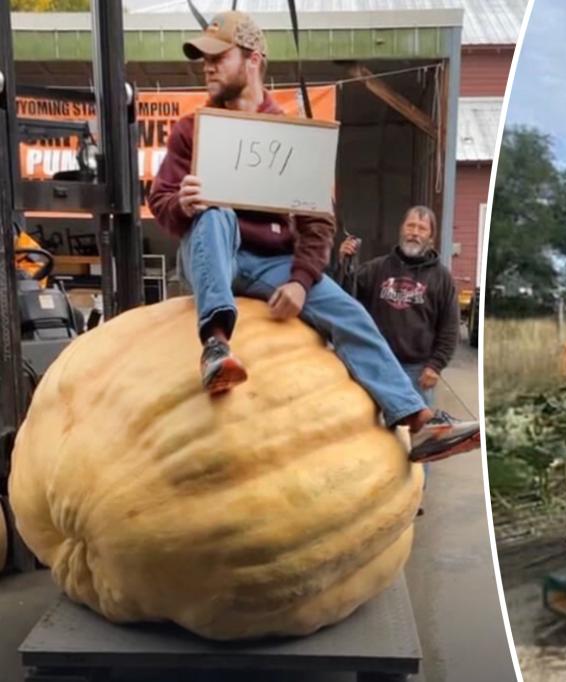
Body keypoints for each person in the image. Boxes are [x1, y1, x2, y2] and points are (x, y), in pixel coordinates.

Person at [147, 10, 478, 463]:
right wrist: (180, 204)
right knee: (215, 214)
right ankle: (216, 346)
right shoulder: (193, 130)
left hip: (271, 263)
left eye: (217, 57)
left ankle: (415, 420)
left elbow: (318, 223)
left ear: (252, 60)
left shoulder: (292, 135)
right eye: (202, 59)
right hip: (214, 254)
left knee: (352, 314)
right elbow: (160, 200)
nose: (206, 67)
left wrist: (302, 281)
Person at [338, 206, 459, 408]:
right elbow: (345, 297)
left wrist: (435, 366)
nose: (414, 232)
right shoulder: (376, 268)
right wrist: (344, 261)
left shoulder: (442, 277)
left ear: (431, 237)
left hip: (417, 372)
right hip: (378, 365)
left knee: (417, 435)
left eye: (422, 228)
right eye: (410, 226)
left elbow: (450, 327)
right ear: (401, 229)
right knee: (376, 431)